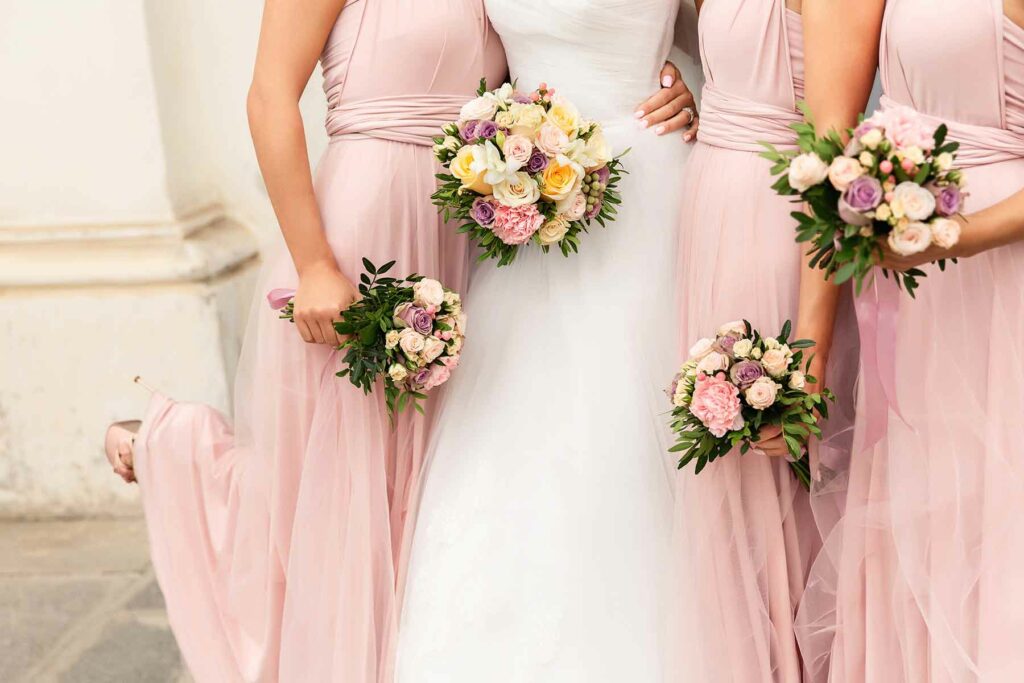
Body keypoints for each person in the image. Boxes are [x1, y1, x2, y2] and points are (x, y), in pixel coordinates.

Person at [103, 0, 506, 680]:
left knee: (418, 495)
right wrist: (316, 264)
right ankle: (168, 446)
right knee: (322, 504)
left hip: (460, 245)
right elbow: (268, 98)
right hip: (358, 238)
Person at [395, 1, 702, 680]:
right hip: (522, 197)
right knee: (517, 415)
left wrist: (693, 92)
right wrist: (492, 148)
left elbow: (739, 40)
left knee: (628, 416)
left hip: (646, 188)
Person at [797, 1, 1024, 680]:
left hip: (997, 270)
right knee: (928, 504)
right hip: (914, 285)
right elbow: (828, 127)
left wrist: (952, 235)